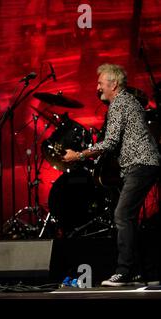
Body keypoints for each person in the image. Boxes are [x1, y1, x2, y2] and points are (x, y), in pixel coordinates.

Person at [63, 63, 160, 286]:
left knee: (122, 215)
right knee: (130, 219)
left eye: (100, 83)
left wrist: (78, 155)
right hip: (143, 164)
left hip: (141, 164)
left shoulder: (119, 103)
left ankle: (124, 272)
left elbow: (111, 142)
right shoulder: (126, 102)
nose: (97, 87)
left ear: (113, 84)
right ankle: (143, 271)